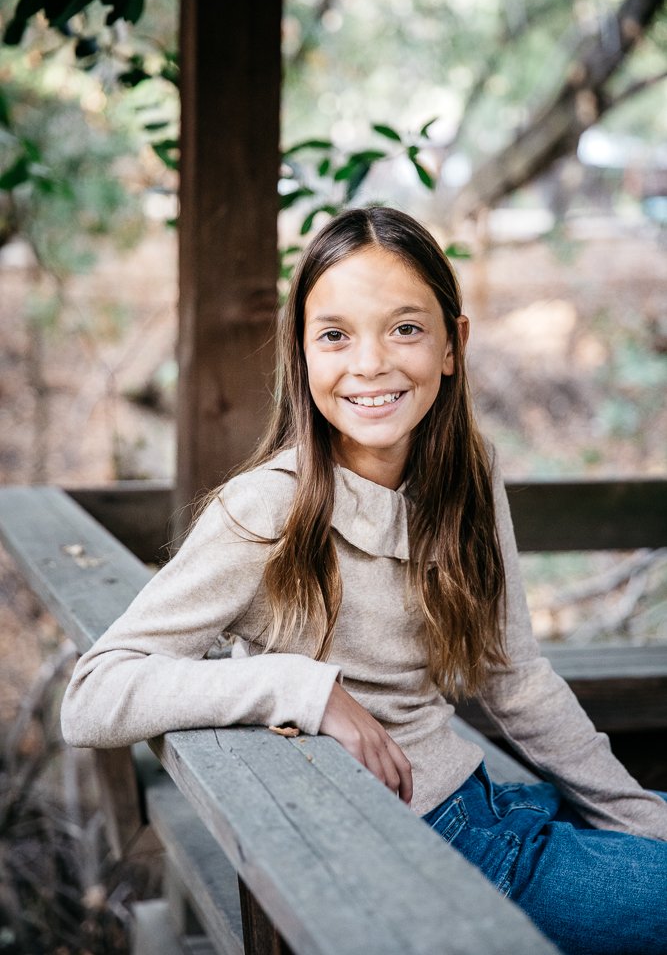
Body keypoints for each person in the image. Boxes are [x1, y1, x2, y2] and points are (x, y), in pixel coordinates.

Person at [61, 206, 667, 954]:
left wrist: (637, 816)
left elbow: (515, 678)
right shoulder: (268, 507)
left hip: (486, 810)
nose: (371, 363)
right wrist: (302, 686)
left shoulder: (468, 474)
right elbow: (93, 695)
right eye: (335, 335)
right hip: (416, 856)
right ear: (301, 355)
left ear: (454, 344)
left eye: (405, 328)